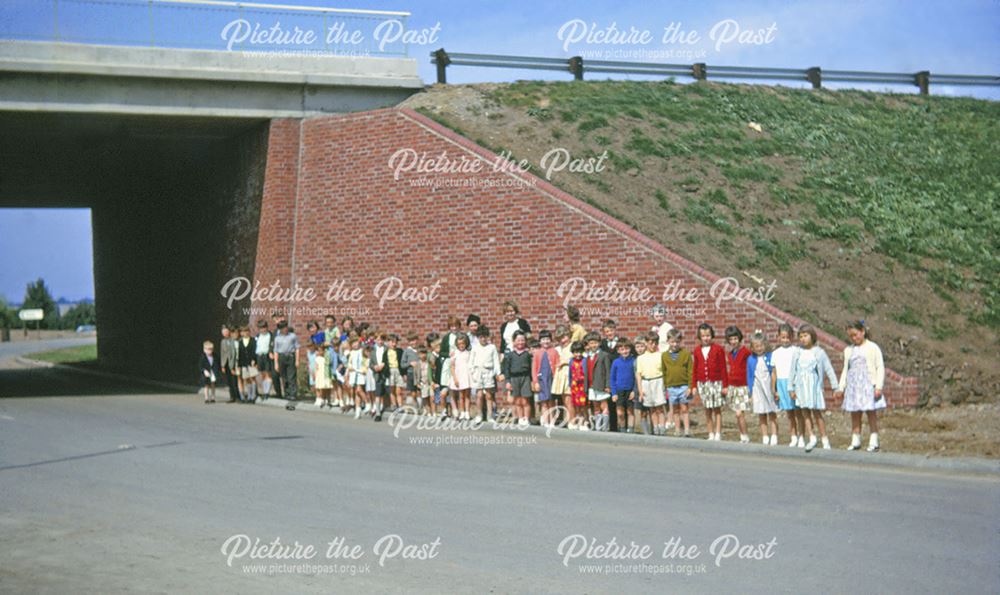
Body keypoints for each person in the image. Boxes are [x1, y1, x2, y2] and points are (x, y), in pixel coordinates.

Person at [834, 320, 886, 452]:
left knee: (870, 413)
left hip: (868, 385)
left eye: (856, 334)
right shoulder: (848, 350)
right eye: (851, 336)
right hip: (854, 386)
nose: (854, 338)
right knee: (855, 414)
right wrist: (841, 387)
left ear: (862, 332)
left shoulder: (872, 347)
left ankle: (874, 440)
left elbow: (880, 367)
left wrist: (878, 386)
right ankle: (855, 439)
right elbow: (846, 369)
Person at [789, 324, 839, 451]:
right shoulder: (798, 352)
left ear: (812, 336)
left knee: (817, 413)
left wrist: (835, 387)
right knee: (805, 412)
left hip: (814, 387)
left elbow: (829, 369)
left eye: (805, 336)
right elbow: (792, 371)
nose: (803, 339)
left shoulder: (819, 352)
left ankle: (824, 439)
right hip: (801, 386)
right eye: (801, 337)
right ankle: (811, 436)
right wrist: (791, 388)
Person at [691, 323, 728, 441]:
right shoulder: (697, 351)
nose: (706, 338)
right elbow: (695, 369)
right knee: (707, 409)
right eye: (703, 336)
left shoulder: (718, 349)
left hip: (716, 383)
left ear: (711, 336)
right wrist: (693, 385)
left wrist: (725, 385)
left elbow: (723, 368)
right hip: (703, 384)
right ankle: (710, 433)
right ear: (699, 337)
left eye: (708, 335)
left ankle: (718, 432)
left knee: (717, 408)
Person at [773, 323, 803, 447]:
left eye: (788, 337)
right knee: (789, 413)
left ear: (792, 337)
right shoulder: (776, 353)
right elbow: (774, 372)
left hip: (794, 384)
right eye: (783, 337)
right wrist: (774, 389)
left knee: (798, 412)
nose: (785, 340)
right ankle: (793, 436)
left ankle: (801, 436)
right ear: (778, 337)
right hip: (781, 383)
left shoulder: (796, 351)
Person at [747, 331, 779, 445]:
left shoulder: (770, 356)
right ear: (752, 347)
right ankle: (765, 436)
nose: (759, 348)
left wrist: (775, 389)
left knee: (772, 412)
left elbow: (774, 373)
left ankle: (774, 435)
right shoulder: (750, 359)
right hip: (758, 388)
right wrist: (750, 391)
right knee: (761, 412)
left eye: (761, 345)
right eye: (756, 346)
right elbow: (750, 375)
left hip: (769, 386)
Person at [661, 329, 693, 437]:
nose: (675, 344)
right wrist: (665, 386)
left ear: (680, 341)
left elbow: (690, 371)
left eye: (677, 342)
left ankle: (687, 430)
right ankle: (677, 429)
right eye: (672, 342)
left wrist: (690, 386)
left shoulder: (685, 354)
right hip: (671, 387)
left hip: (683, 386)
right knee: (675, 410)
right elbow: (664, 372)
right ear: (668, 341)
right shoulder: (664, 356)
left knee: (684, 408)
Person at [725, 326, 752, 443]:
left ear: (739, 338)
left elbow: (750, 368)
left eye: (735, 339)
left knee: (739, 413)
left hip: (743, 386)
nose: (733, 342)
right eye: (731, 339)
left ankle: (745, 435)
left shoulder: (746, 352)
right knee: (737, 414)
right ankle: (742, 435)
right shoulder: (730, 354)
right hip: (733, 387)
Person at [636, 333, 667, 435]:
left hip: (658, 381)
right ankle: (655, 427)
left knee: (659, 407)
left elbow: (665, 371)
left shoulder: (660, 355)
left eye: (655, 343)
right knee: (651, 408)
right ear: (646, 343)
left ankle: (662, 427)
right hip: (646, 382)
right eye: (650, 343)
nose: (652, 345)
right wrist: (640, 391)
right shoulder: (641, 358)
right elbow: (639, 375)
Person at [470, 326, 502, 423]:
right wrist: (473, 372)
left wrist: (497, 372)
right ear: (478, 337)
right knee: (479, 395)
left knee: (489, 395)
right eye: (480, 337)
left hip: (488, 372)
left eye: (485, 337)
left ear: (487, 337)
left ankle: (490, 415)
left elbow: (496, 361)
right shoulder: (475, 348)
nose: (483, 339)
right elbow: (471, 362)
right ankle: (479, 414)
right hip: (478, 373)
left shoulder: (491, 347)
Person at [502, 331, 533, 427]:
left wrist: (532, 381)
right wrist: (507, 381)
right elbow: (506, 369)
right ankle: (520, 418)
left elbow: (531, 368)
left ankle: (526, 418)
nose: (520, 342)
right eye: (518, 340)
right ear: (514, 341)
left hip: (525, 378)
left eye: (522, 340)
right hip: (514, 379)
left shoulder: (528, 354)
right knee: (517, 400)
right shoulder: (510, 355)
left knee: (525, 400)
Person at [532, 330, 560, 428]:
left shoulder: (555, 352)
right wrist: (535, 382)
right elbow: (534, 369)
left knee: (551, 401)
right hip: (541, 380)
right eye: (543, 339)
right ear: (540, 341)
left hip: (551, 379)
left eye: (547, 339)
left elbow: (557, 365)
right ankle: (545, 420)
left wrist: (557, 379)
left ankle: (552, 421)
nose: (545, 341)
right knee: (544, 401)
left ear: (551, 340)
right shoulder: (537, 353)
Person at [585, 332, 613, 432]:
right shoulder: (587, 356)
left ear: (599, 343)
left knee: (603, 405)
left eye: (595, 343)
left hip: (601, 384)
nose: (593, 345)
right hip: (591, 385)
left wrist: (608, 385)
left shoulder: (604, 355)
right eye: (591, 343)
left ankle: (605, 426)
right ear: (588, 344)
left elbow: (608, 371)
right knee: (595, 405)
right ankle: (598, 426)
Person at [609, 340, 636, 432]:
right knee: (620, 412)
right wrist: (614, 393)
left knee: (630, 411)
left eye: (627, 349)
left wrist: (634, 391)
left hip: (630, 390)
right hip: (619, 391)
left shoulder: (634, 361)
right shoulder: (616, 362)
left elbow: (637, 377)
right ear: (618, 351)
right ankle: (622, 429)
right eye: (622, 349)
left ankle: (631, 429)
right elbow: (612, 378)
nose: (625, 351)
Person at [273, 321, 300, 409]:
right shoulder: (277, 338)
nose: (285, 329)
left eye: (285, 327)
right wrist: (276, 363)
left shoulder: (292, 336)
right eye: (282, 328)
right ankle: (287, 393)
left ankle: (293, 394)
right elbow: (276, 351)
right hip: (281, 357)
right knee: (284, 376)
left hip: (290, 356)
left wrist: (297, 360)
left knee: (291, 376)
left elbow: (297, 348)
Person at [449, 334, 472, 420]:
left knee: (467, 395)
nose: (461, 345)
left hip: (467, 376)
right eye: (459, 344)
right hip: (458, 376)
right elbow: (452, 367)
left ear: (466, 343)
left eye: (463, 343)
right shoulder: (455, 353)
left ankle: (467, 412)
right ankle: (462, 412)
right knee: (461, 395)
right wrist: (455, 378)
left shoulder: (469, 353)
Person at [567, 340, 589, 430]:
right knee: (576, 405)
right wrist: (570, 384)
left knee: (583, 405)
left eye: (580, 352)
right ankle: (578, 421)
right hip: (574, 386)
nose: (578, 354)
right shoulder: (571, 361)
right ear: (573, 352)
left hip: (582, 386)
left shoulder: (584, 360)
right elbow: (569, 373)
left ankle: (585, 422)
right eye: (576, 352)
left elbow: (587, 374)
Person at [254, 319, 275, 400]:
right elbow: (256, 346)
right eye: (261, 328)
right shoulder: (257, 336)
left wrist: (271, 352)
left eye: (264, 327)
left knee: (268, 374)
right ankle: (264, 391)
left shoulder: (270, 335)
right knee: (262, 374)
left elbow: (272, 345)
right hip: (259, 356)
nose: (263, 329)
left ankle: (267, 392)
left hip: (267, 355)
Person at [220, 325, 240, 403]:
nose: (225, 333)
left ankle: (238, 397)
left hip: (233, 363)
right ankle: (232, 397)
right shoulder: (223, 342)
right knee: (229, 381)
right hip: (226, 363)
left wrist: (233, 366)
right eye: (224, 332)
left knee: (234, 381)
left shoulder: (233, 341)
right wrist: (222, 365)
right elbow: (222, 353)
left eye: (226, 332)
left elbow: (234, 353)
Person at [237, 326, 257, 402]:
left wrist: (255, 360)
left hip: (251, 362)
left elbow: (255, 351)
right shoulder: (240, 342)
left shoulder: (253, 340)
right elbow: (239, 354)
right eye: (243, 332)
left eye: (246, 331)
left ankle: (253, 395)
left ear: (249, 332)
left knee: (252, 378)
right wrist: (239, 365)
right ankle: (249, 395)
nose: (245, 333)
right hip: (243, 363)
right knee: (246, 379)